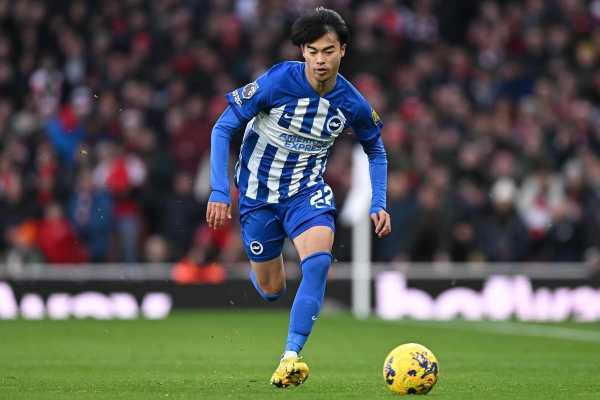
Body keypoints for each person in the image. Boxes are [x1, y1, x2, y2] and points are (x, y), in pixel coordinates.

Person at [206, 7, 391, 388]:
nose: (320, 60)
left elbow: (376, 149)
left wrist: (379, 202)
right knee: (272, 290)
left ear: (343, 50)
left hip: (306, 192)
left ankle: (291, 355)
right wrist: (220, 190)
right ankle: (268, 272)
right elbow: (223, 127)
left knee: (319, 262)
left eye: (328, 51)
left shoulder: (352, 102)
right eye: (312, 51)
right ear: (303, 51)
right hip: (257, 196)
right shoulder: (278, 82)